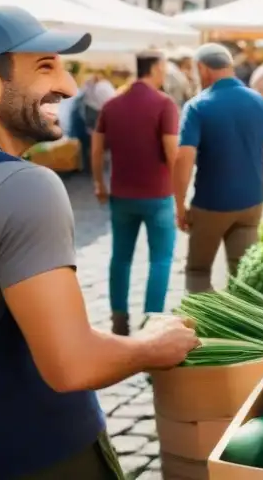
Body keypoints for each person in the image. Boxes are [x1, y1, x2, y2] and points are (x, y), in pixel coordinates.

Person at [0, 7, 198, 479]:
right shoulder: (21, 187)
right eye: (45, 67)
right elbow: (70, 363)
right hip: (36, 453)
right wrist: (148, 346)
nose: (69, 86)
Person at [173, 44, 263, 292]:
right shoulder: (258, 101)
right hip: (251, 204)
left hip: (210, 205)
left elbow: (183, 159)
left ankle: (205, 327)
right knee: (242, 275)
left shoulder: (197, 106)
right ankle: (240, 327)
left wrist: (179, 205)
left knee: (198, 270)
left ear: (202, 69)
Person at [91, 51, 179, 337]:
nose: (164, 72)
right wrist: (180, 193)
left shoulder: (112, 104)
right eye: (163, 67)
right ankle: (152, 319)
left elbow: (95, 148)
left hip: (121, 195)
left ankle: (119, 317)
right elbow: (172, 153)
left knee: (121, 257)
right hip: (158, 195)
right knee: (161, 259)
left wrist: (99, 185)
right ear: (154, 68)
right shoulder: (164, 104)